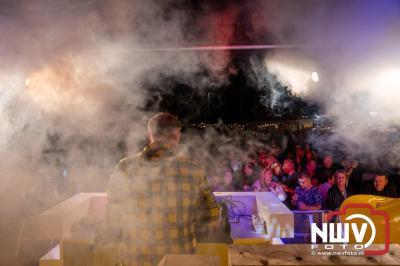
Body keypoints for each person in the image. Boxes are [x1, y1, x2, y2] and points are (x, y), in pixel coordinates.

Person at [97, 113, 220, 265]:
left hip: (135, 260)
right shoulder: (194, 168)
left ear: (150, 136)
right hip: (180, 260)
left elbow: (113, 219)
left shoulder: (125, 167)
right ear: (176, 136)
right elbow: (213, 216)